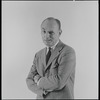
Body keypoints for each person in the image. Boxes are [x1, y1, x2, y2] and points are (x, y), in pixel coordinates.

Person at [26, 17, 76, 99]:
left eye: (51, 32)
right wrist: (42, 91)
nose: (46, 36)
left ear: (60, 33)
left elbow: (59, 82)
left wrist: (39, 81)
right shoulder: (38, 55)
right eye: (44, 31)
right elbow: (29, 80)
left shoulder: (68, 52)